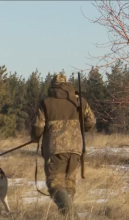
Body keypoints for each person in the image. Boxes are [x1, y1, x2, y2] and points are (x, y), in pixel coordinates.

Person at [30, 73, 96, 219]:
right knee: (69, 183)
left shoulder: (47, 103)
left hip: (55, 150)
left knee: (55, 184)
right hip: (76, 150)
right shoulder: (80, 101)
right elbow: (91, 122)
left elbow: (37, 126)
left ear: (53, 86)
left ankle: (72, 216)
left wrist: (35, 138)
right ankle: (67, 217)